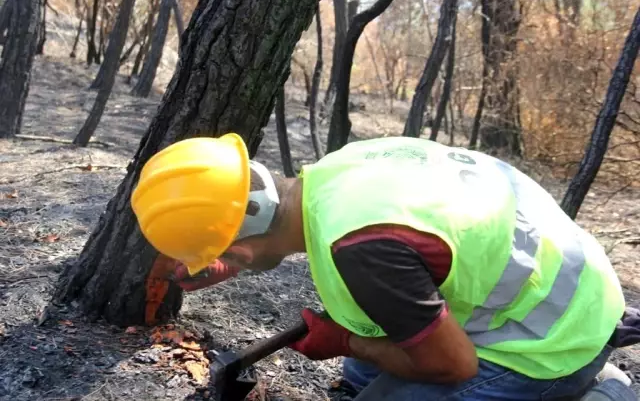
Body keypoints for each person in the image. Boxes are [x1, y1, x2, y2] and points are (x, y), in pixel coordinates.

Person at [131, 133, 633, 400]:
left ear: (236, 246)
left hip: (553, 341)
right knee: (363, 365)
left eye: (223, 256)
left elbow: (452, 367)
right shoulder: (340, 171)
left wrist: (345, 341)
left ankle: (600, 391)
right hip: (560, 284)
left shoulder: (363, 247)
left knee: (373, 352)